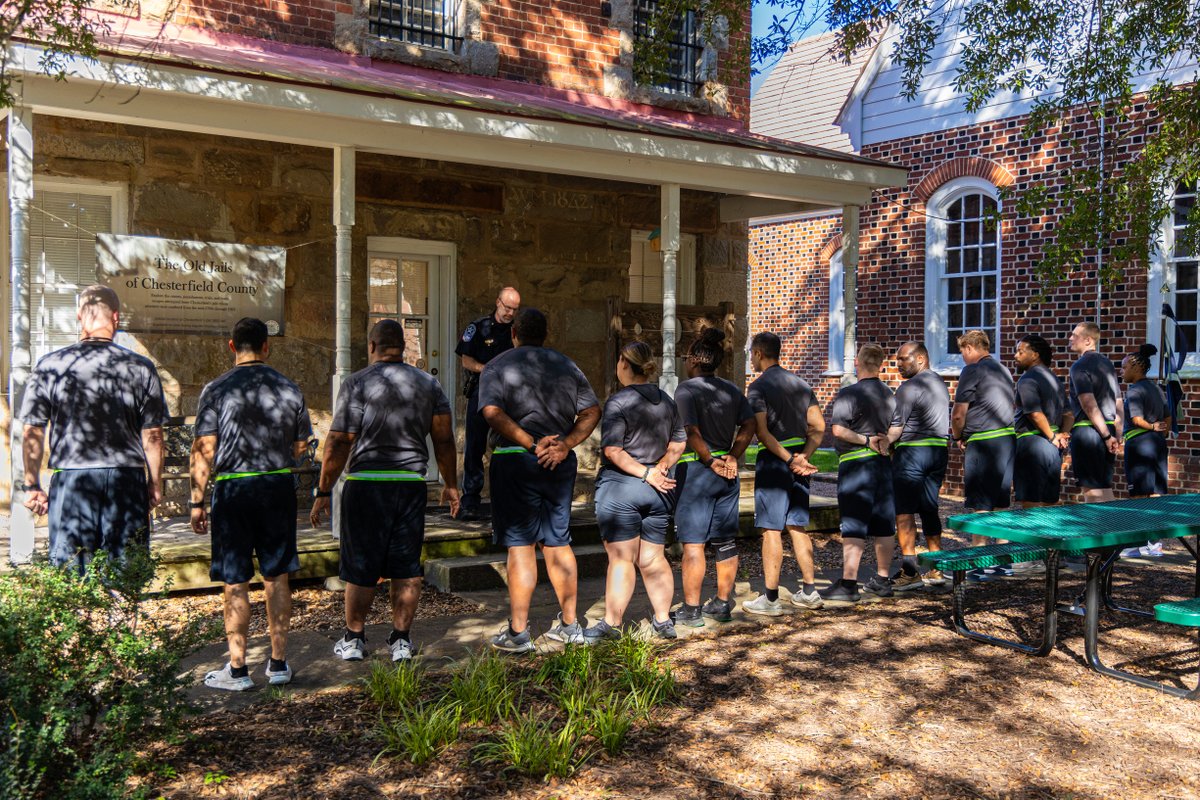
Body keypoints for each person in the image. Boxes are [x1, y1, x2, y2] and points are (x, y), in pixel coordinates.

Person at [310, 319, 460, 662]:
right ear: (402, 348)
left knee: (361, 565)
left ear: (372, 346)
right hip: (409, 485)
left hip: (366, 485)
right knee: (407, 565)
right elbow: (444, 439)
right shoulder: (429, 384)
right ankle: (401, 640)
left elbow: (339, 440)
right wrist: (451, 485)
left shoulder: (358, 383)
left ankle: (354, 638)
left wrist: (323, 490)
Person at [189, 318, 313, 690]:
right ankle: (277, 665)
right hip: (276, 487)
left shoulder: (216, 389)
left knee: (235, 580)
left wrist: (197, 500)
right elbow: (301, 446)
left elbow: (204, 448)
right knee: (277, 576)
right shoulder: (289, 388)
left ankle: (238, 669)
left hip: (233, 488)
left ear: (232, 346)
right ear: (267, 346)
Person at [18, 285, 167, 574]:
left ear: (79, 317)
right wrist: (155, 484)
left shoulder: (50, 366)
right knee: (127, 573)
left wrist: (32, 485)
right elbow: (153, 435)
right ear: (116, 317)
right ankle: (120, 619)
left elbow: (32, 431)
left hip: (73, 482)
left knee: (72, 576)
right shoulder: (141, 367)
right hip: (126, 479)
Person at [478, 308, 600, 652]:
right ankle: (570, 624)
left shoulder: (498, 365)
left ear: (514, 332)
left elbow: (491, 412)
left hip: (515, 461)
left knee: (520, 545)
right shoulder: (568, 365)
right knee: (558, 542)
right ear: (545, 334)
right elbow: (592, 410)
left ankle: (518, 631)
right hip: (558, 463)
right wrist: (565, 444)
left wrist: (531, 443)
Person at [584, 341, 686, 643]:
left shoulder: (619, 402)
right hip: (659, 492)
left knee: (621, 560)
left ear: (623, 364)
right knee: (654, 557)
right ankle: (663, 620)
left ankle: (612, 623)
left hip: (622, 491)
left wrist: (645, 472)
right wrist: (662, 467)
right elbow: (679, 443)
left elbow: (614, 451)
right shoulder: (667, 401)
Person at [672, 327, 755, 626]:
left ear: (694, 360)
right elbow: (748, 425)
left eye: (685, 357)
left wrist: (709, 460)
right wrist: (733, 454)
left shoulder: (686, 390)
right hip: (728, 473)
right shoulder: (731, 390)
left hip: (698, 471)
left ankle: (691, 609)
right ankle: (722, 602)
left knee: (693, 544)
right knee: (725, 541)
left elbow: (691, 430)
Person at [741, 332, 826, 615]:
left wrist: (790, 459)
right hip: (799, 461)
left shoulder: (758, 387)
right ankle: (810, 591)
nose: (751, 359)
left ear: (758, 354)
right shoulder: (801, 384)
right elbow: (818, 427)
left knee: (771, 529)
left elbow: (762, 433)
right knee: (797, 526)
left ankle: (771, 598)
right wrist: (804, 456)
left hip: (776, 463)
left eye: (751, 354)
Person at [824, 344, 896, 604]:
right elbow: (896, 428)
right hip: (883, 465)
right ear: (880, 364)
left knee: (854, 523)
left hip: (856, 464)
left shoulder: (849, 394)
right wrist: (885, 441)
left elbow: (839, 431)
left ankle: (849, 583)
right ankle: (883, 579)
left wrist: (865, 440)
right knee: (884, 523)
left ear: (857, 362)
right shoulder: (889, 394)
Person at [950, 329, 1016, 581]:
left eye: (962, 352)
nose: (962, 358)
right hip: (1007, 440)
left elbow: (959, 412)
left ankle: (979, 562)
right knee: (1001, 503)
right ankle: (1003, 561)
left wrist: (957, 436)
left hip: (983, 441)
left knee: (981, 504)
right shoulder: (1004, 370)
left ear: (969, 348)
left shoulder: (972, 370)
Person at [885, 342, 950, 591]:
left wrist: (882, 445)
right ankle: (937, 568)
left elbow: (896, 428)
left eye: (903, 359)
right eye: (897, 360)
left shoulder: (909, 387)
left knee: (903, 511)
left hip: (912, 451)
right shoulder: (939, 383)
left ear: (921, 358)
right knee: (929, 507)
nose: (898, 364)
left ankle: (910, 571)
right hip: (938, 452)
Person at [454, 287, 520, 521]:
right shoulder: (479, 327)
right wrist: (489, 370)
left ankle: (507, 497)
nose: (510, 312)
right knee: (475, 446)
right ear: (497, 302)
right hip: (482, 391)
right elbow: (466, 360)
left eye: (514, 309)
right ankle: (470, 499)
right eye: (507, 307)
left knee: (508, 445)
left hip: (509, 395)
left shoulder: (516, 331)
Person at [1009, 334, 1071, 576]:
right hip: (1053, 447)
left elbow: (1034, 413)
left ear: (1035, 354)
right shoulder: (1055, 379)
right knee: (1049, 502)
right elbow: (1069, 413)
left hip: (1034, 443)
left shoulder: (1028, 379)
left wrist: (1051, 435)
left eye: (1020, 351)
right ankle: (1052, 556)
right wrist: (1062, 435)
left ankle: (1028, 559)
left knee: (1030, 503)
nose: (1016, 355)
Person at [1119, 344, 1170, 558]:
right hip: (1158, 444)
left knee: (1139, 494)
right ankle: (1155, 543)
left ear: (1135, 367)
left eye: (1124, 368)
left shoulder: (1135, 390)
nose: (1122, 372)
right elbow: (1168, 417)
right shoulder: (1157, 388)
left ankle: (1139, 544)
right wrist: (1160, 429)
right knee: (1156, 492)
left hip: (1139, 445)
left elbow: (1136, 419)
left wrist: (1150, 427)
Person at [1067, 322, 1123, 502]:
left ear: (1088, 340)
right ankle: (1114, 528)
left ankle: (1098, 530)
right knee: (1104, 489)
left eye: (1074, 335)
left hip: (1088, 432)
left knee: (1092, 493)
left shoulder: (1079, 366)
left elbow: (1088, 404)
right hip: (1109, 430)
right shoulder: (1107, 364)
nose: (1070, 338)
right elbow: (1119, 402)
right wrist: (1117, 435)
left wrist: (1107, 437)